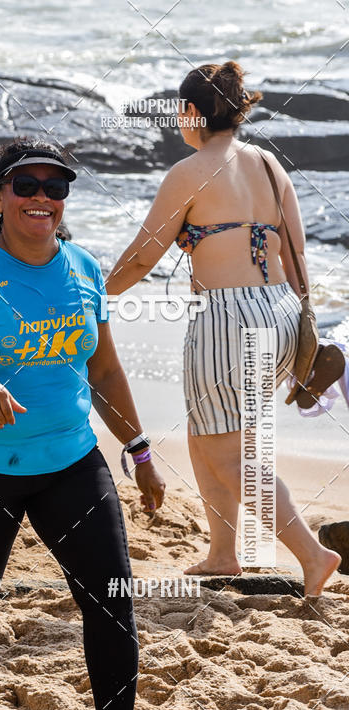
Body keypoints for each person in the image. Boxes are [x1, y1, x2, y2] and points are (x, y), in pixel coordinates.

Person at [0, 138, 166, 710]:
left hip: (71, 464)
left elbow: (104, 371)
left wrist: (139, 450)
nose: (41, 198)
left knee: (111, 600)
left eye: (54, 187)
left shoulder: (83, 268)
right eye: (25, 185)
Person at [105, 61, 340, 597]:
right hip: (282, 311)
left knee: (230, 452)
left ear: (192, 111)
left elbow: (142, 256)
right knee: (207, 433)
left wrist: (93, 295)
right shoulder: (270, 164)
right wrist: (301, 331)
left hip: (227, 319)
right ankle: (222, 553)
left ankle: (312, 554)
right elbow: (297, 255)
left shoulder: (190, 171)